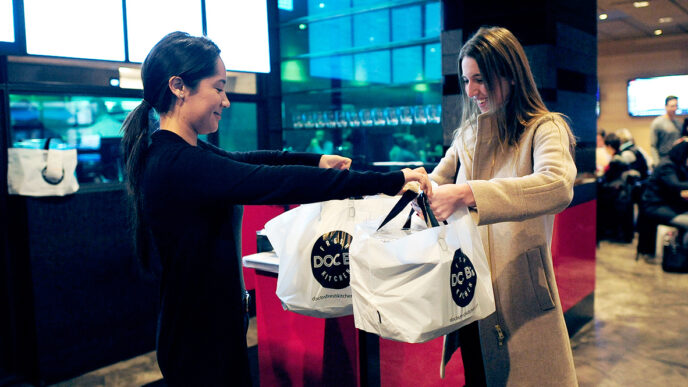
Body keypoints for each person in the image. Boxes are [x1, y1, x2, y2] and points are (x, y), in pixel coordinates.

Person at [120, 31, 431, 387]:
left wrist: (316, 160)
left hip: (209, 329)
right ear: (179, 86)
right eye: (218, 88)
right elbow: (273, 180)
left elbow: (254, 160)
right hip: (198, 341)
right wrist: (390, 180)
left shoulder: (184, 153)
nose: (226, 100)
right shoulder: (176, 163)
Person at [428, 26, 578, 386]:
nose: (471, 91)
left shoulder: (545, 128)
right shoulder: (468, 135)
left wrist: (469, 193)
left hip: (520, 291)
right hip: (471, 286)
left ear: (509, 73)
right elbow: (436, 180)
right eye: (466, 80)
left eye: (480, 79)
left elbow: (557, 185)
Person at [638, 140, 688, 258]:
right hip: (656, 206)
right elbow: (675, 185)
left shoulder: (675, 165)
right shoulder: (667, 165)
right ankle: (682, 258)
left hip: (667, 205)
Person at [651, 95, 682, 164]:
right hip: (664, 160)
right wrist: (657, 164)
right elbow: (653, 146)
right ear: (666, 106)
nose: (674, 108)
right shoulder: (658, 123)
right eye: (672, 106)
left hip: (677, 161)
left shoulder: (679, 123)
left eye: (676, 106)